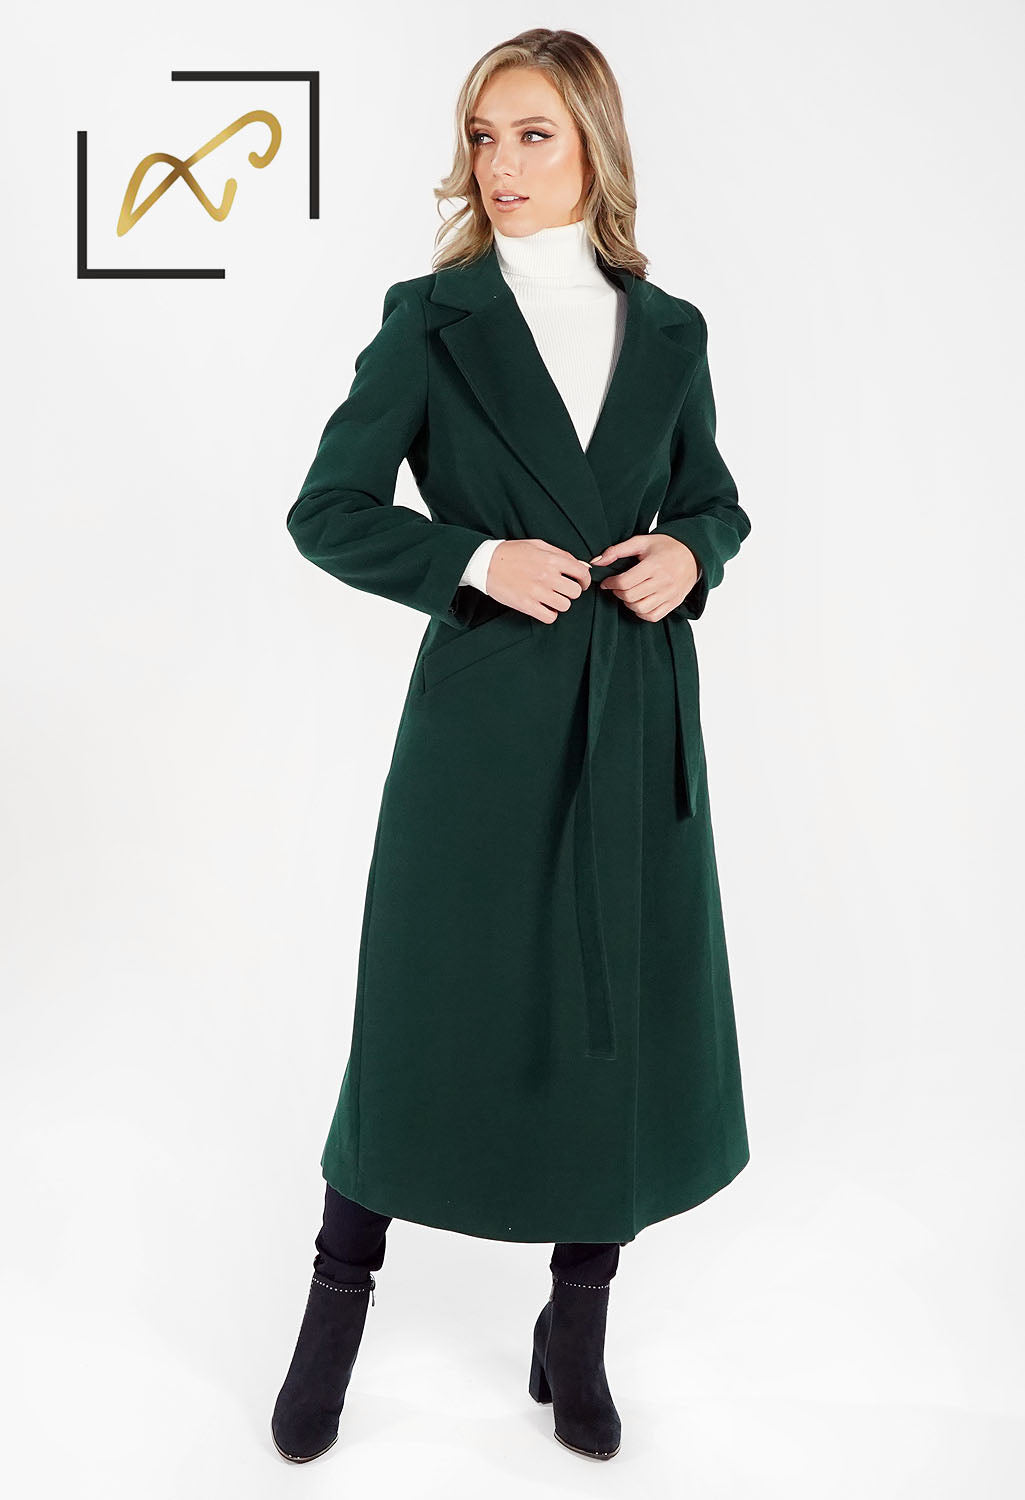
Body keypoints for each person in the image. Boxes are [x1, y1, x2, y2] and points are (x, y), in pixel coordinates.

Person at [272, 27, 752, 1465]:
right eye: (483, 135)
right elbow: (327, 510)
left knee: (614, 1028)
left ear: (595, 143)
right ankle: (333, 1315)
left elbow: (714, 499)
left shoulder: (669, 332)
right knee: (418, 1020)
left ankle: (576, 1329)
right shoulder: (433, 319)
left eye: (533, 133)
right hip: (481, 727)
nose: (500, 164)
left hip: (633, 716)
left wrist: (690, 554)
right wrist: (475, 563)